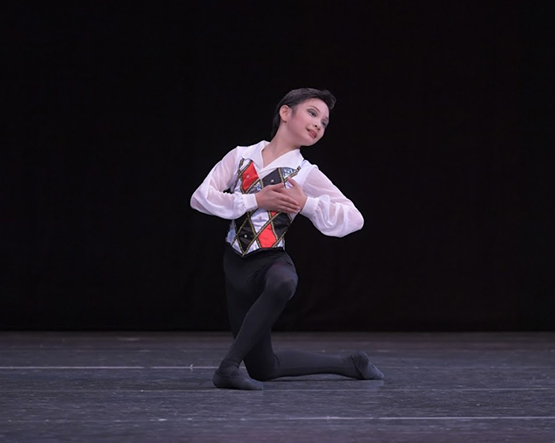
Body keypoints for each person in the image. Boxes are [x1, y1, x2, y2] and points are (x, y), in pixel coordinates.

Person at [190, 87, 384, 390]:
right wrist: (255, 200)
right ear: (285, 112)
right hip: (235, 265)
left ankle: (227, 367)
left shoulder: (305, 173)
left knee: (284, 281)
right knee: (263, 368)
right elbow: (201, 197)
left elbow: (354, 218)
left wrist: (306, 204)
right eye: (312, 113)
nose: (318, 124)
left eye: (324, 122)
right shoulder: (241, 156)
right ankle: (351, 364)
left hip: (270, 260)